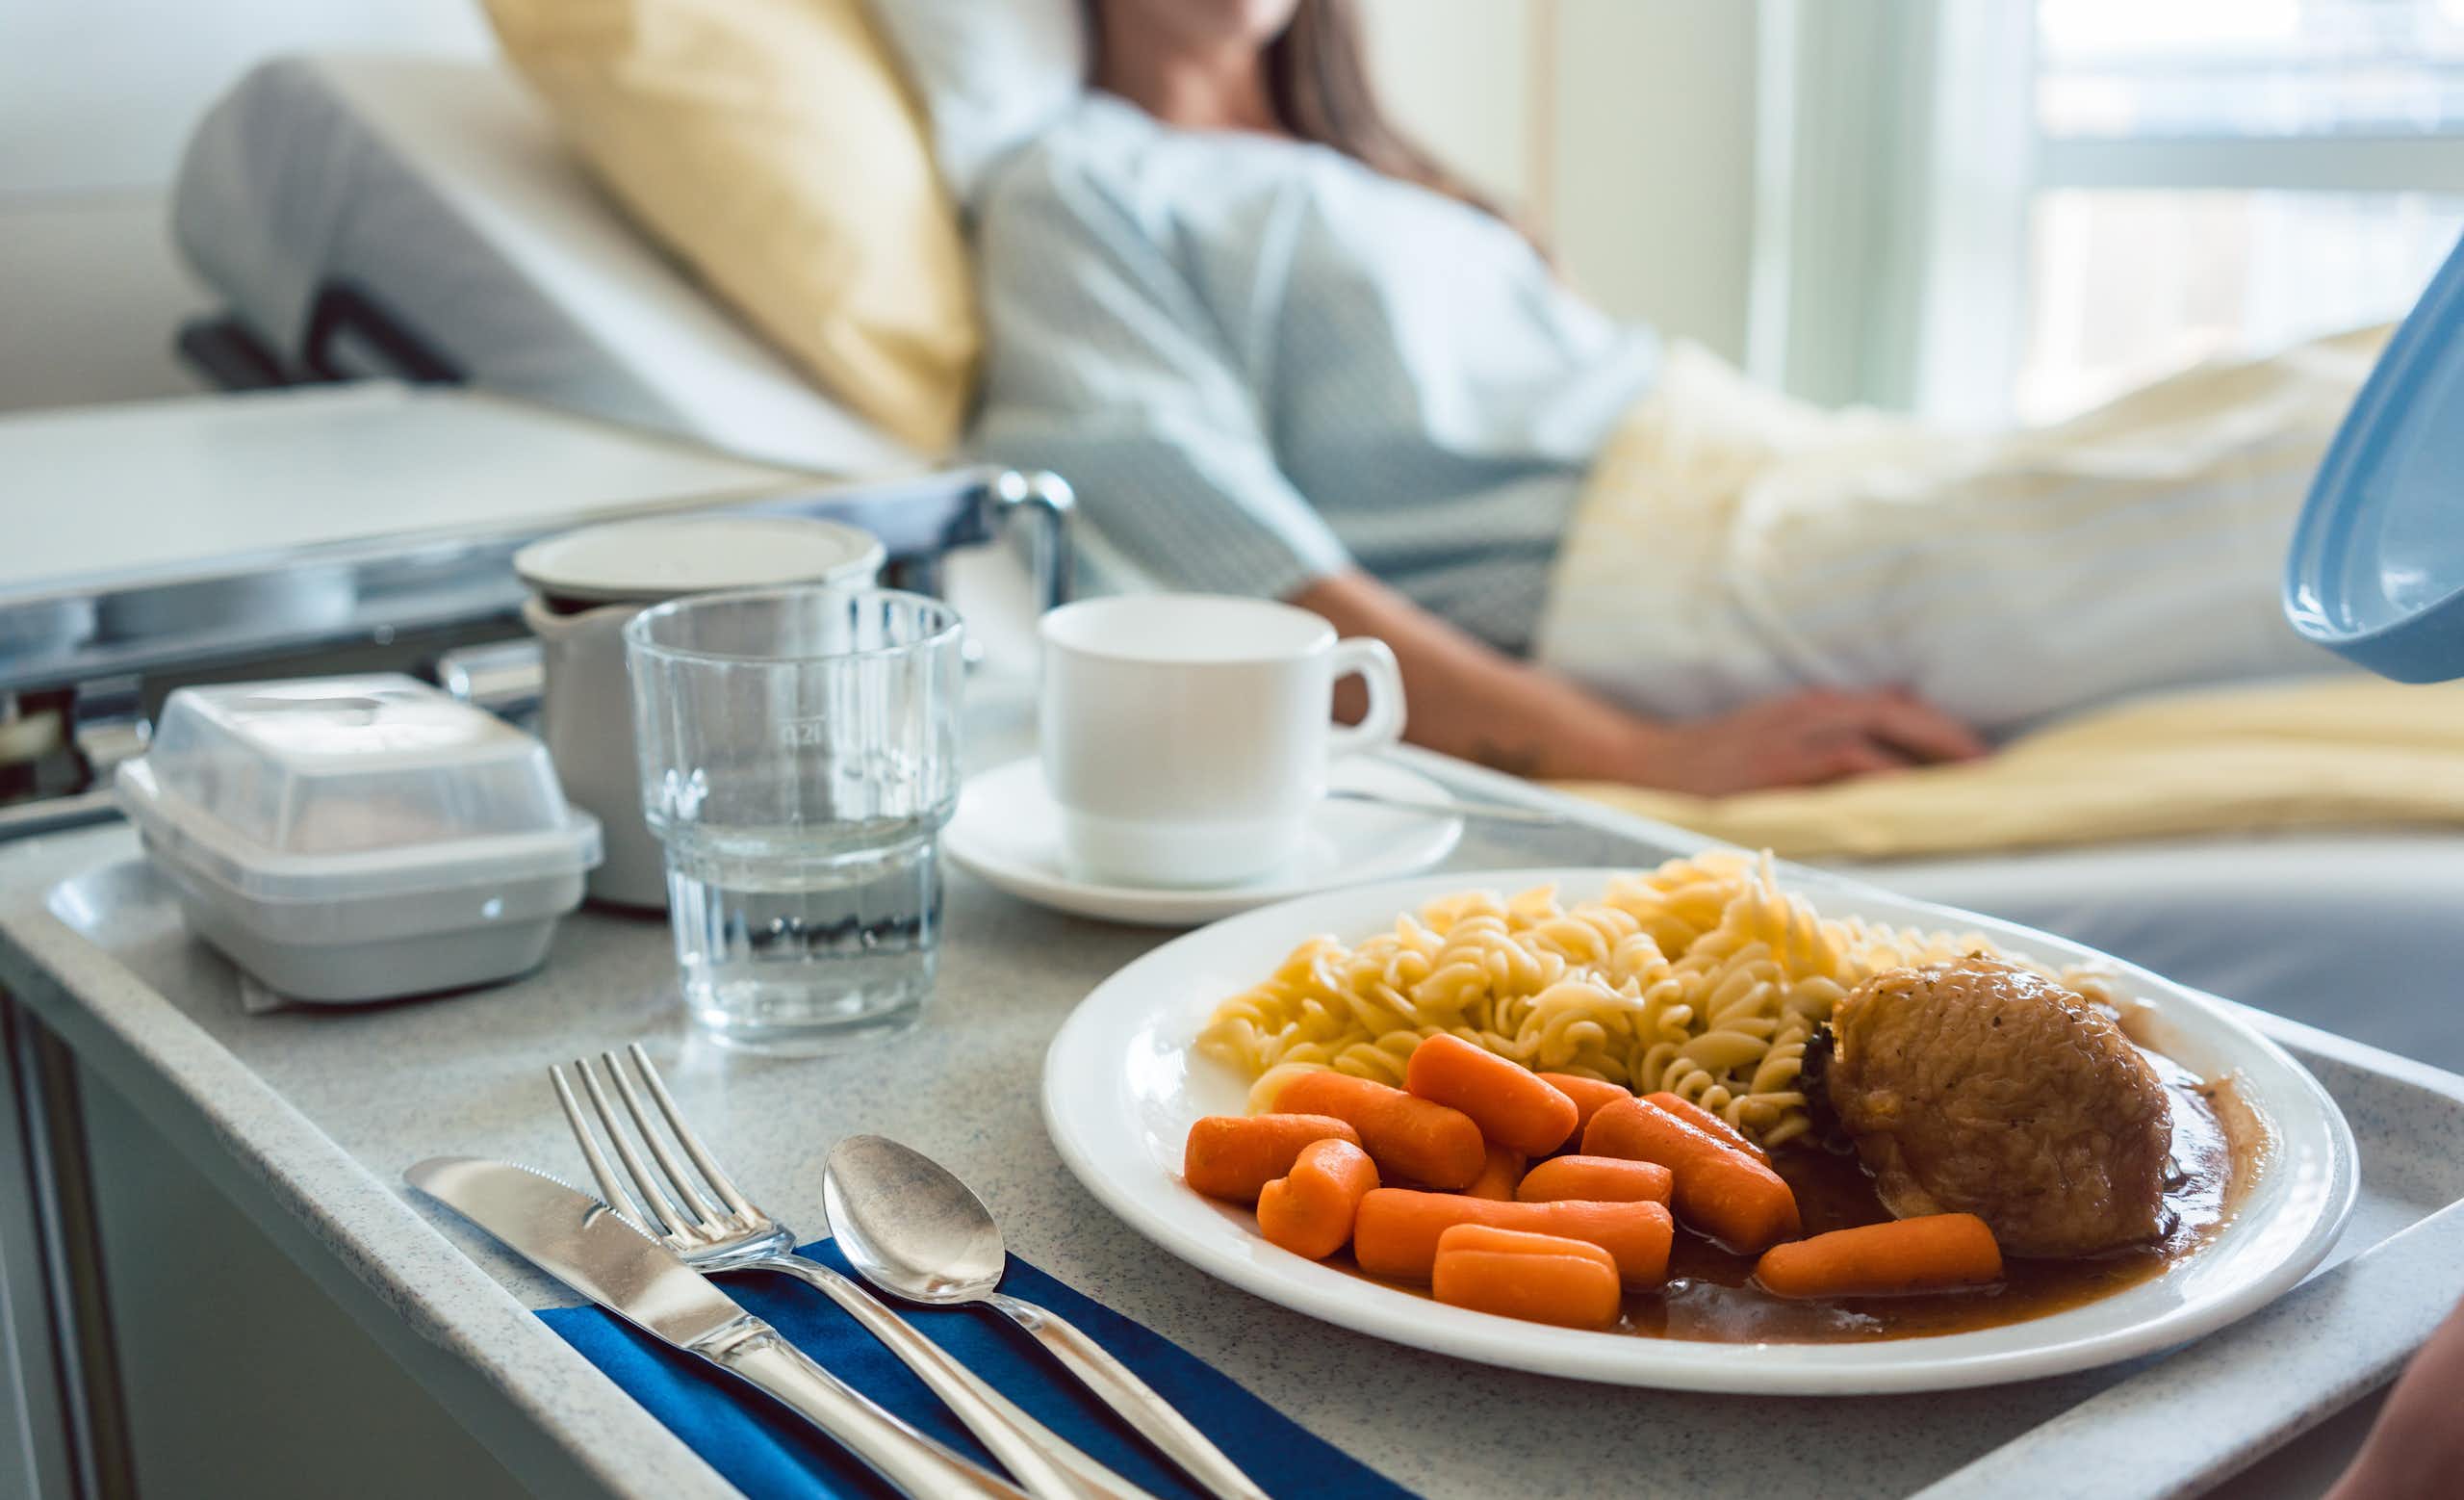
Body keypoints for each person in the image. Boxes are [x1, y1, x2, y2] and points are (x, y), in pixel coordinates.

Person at [969, 0, 2363, 794]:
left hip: (1775, 464)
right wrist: (1638, 753)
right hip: (1660, 566)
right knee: (2294, 472)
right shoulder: (1076, 184)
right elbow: (1228, 557)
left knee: (2315, 377)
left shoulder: (1375, 166)